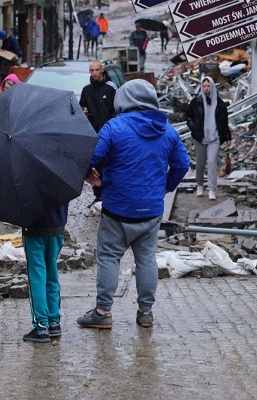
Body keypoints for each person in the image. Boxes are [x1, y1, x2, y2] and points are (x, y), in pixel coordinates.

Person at [77, 79, 190, 329]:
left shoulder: (113, 127)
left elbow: (91, 156)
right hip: (150, 211)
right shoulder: (168, 131)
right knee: (147, 260)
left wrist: (88, 173)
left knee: (108, 258)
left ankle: (103, 312)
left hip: (117, 209)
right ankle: (146, 312)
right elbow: (182, 164)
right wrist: (165, 187)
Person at [22, 203, 69, 343]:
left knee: (37, 277)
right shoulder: (63, 180)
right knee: (52, 273)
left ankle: (41, 326)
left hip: (34, 227)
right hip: (57, 225)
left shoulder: (22, 180)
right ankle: (54, 321)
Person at [186, 76, 231, 201]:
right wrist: (193, 127)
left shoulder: (220, 104)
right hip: (200, 137)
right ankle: (199, 185)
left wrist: (227, 137)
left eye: (208, 86)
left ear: (212, 86)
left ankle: (211, 189)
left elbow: (224, 122)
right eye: (204, 86)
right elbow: (188, 116)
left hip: (214, 137)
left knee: (211, 162)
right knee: (200, 163)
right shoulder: (196, 101)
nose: (206, 88)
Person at [79, 60, 117, 203]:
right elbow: (81, 107)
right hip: (94, 133)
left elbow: (117, 109)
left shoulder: (111, 88)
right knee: (96, 163)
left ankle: (108, 193)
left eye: (96, 70)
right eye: (92, 70)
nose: (94, 73)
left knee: (109, 162)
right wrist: (84, 111)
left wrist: (112, 125)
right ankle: (98, 195)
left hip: (109, 132)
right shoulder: (86, 90)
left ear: (102, 70)